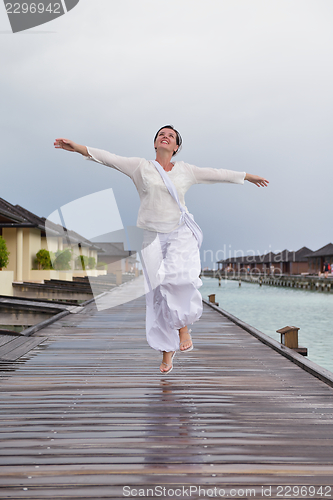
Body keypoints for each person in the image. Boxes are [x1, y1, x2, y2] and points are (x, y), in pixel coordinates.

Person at [54, 125, 268, 374]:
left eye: (171, 136)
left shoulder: (186, 170)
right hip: (151, 236)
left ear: (176, 147)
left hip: (179, 232)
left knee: (179, 277)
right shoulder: (139, 167)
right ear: (155, 143)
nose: (165, 137)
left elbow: (216, 173)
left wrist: (247, 176)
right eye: (161, 135)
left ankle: (183, 327)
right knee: (157, 296)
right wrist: (77, 148)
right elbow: (108, 158)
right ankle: (167, 351)